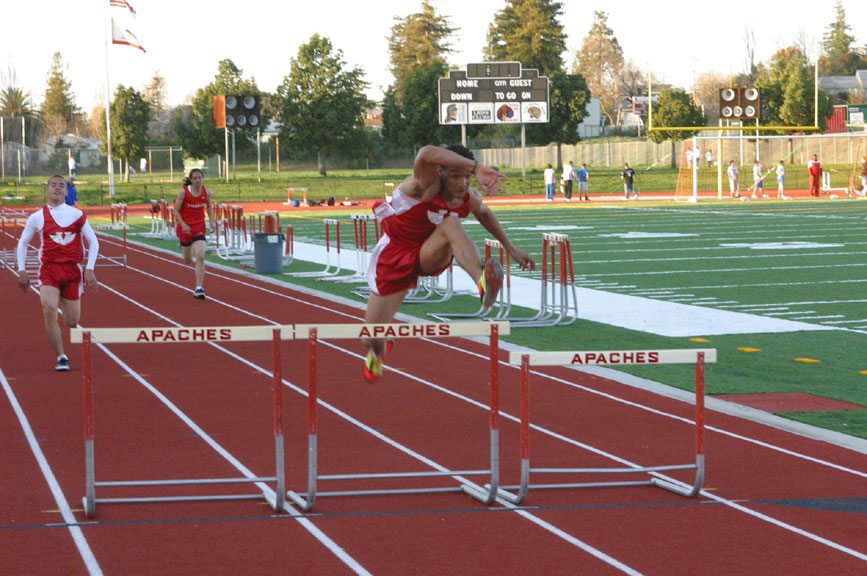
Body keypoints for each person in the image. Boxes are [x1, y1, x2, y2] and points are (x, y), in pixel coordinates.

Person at [362, 144, 536, 383]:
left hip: (428, 254)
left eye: (467, 177)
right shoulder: (421, 184)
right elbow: (424, 153)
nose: (462, 184)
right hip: (394, 256)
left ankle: (482, 280)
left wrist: (511, 248)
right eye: (455, 176)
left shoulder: (467, 196)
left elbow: (484, 212)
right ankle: (378, 352)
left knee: (451, 224)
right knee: (371, 336)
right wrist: (476, 167)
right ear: (440, 171)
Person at [16, 175, 99, 371]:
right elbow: (23, 243)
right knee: (49, 310)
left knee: (72, 321)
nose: (57, 188)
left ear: (66, 191)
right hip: (49, 269)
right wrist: (21, 269)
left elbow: (93, 241)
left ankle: (66, 303)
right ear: (47, 190)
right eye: (53, 185)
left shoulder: (77, 215)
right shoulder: (37, 217)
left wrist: (90, 268)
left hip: (72, 271)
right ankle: (61, 356)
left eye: (61, 185)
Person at [173, 168, 214, 300]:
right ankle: (184, 245)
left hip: (199, 226)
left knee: (200, 256)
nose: (197, 180)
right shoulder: (184, 192)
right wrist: (183, 224)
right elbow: (175, 211)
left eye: (199, 177)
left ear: (202, 178)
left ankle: (199, 288)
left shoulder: (207, 192)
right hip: (185, 228)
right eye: (195, 178)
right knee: (188, 260)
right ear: (191, 180)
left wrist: (212, 221)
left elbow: (208, 206)